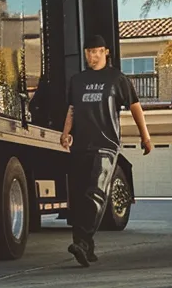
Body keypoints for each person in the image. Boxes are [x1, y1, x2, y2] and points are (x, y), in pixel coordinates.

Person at [60, 35, 153, 266]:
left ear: (106, 52)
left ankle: (80, 242)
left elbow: (135, 106)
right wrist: (65, 133)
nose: (92, 56)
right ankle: (87, 247)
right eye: (89, 52)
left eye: (97, 51)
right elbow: (72, 109)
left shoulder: (116, 78)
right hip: (81, 145)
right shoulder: (77, 80)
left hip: (106, 144)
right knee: (81, 195)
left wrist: (146, 136)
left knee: (97, 191)